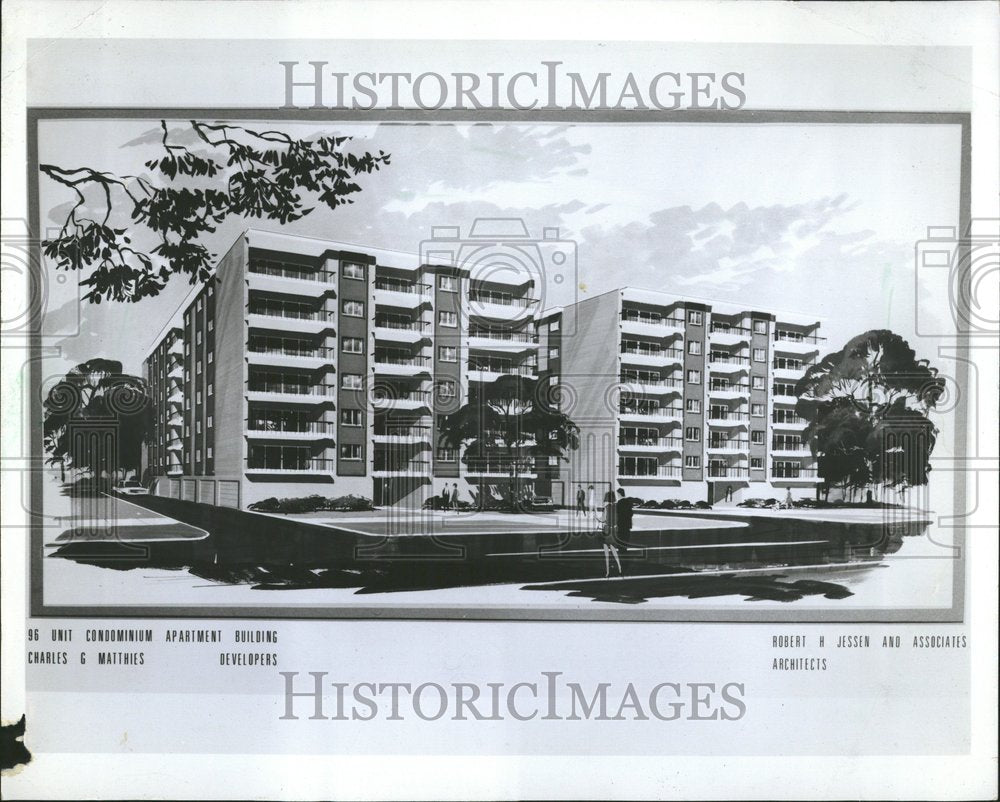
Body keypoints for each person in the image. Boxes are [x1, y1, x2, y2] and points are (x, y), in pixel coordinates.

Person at [598, 490, 623, 578]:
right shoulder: (617, 507)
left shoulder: (606, 507)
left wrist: (596, 518)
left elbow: (603, 519)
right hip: (615, 529)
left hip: (607, 529)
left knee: (606, 552)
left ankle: (607, 571)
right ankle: (619, 567)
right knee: (614, 549)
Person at [615, 488, 634, 553]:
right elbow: (631, 513)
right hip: (627, 523)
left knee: (621, 537)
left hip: (621, 523)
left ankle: (621, 549)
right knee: (626, 537)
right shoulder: (628, 502)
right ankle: (624, 549)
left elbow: (617, 513)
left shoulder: (619, 503)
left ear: (619, 494)